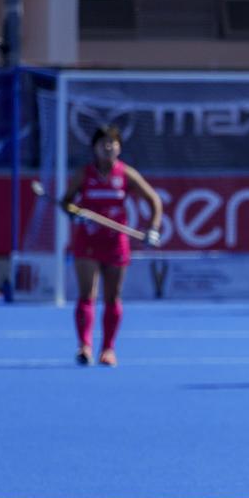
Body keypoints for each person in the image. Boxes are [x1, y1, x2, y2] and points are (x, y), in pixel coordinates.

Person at [61, 126, 162, 367]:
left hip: (116, 243)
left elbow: (154, 200)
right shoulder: (84, 174)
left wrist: (154, 228)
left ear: (119, 147)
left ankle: (108, 349)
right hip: (88, 241)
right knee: (87, 294)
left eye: (113, 143)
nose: (108, 148)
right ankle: (84, 346)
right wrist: (75, 214)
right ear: (94, 148)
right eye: (103, 143)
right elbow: (66, 202)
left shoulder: (126, 174)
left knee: (112, 296)